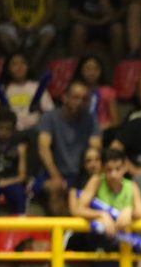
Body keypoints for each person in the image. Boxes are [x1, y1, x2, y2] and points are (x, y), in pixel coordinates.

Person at [70, 147, 141, 267]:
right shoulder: (96, 181)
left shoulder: (131, 186)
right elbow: (78, 209)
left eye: (117, 169)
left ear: (125, 167)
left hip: (125, 251)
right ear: (103, 169)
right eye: (109, 170)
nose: (113, 174)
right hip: (101, 251)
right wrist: (101, 214)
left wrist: (129, 210)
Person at [37, 81, 101, 215]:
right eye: (75, 97)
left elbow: (96, 147)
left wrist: (94, 175)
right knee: (55, 187)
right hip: (53, 172)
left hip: (80, 174)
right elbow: (43, 148)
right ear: (65, 97)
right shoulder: (49, 117)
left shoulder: (90, 119)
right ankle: (60, 228)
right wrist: (56, 176)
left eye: (84, 99)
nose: (79, 102)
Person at [0, 52, 54, 136]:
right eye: (14, 64)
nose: (19, 67)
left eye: (23, 63)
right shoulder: (2, 89)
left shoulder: (37, 87)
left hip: (34, 130)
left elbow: (50, 112)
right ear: (8, 69)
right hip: (9, 133)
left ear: (28, 66)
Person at [73, 55, 119, 131]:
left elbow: (116, 121)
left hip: (103, 130)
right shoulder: (76, 90)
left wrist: (99, 128)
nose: (92, 73)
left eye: (95, 69)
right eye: (88, 69)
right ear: (81, 70)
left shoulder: (107, 91)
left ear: (101, 71)